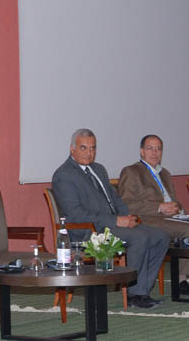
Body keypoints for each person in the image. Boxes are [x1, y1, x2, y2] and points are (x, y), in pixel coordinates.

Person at [52, 129, 169, 309]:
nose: (88, 152)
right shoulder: (64, 175)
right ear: (72, 149)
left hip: (111, 226)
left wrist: (126, 217)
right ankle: (135, 294)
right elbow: (76, 214)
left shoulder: (98, 169)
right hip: (88, 232)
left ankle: (143, 288)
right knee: (140, 237)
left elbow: (115, 198)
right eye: (83, 148)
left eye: (92, 148)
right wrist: (116, 221)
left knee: (160, 237)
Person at [118, 135, 189, 295]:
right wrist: (159, 208)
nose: (154, 152)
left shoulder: (165, 173)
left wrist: (178, 208)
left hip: (173, 218)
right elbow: (127, 204)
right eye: (150, 148)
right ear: (142, 151)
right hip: (149, 220)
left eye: (158, 149)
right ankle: (180, 280)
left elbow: (174, 200)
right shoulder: (132, 171)